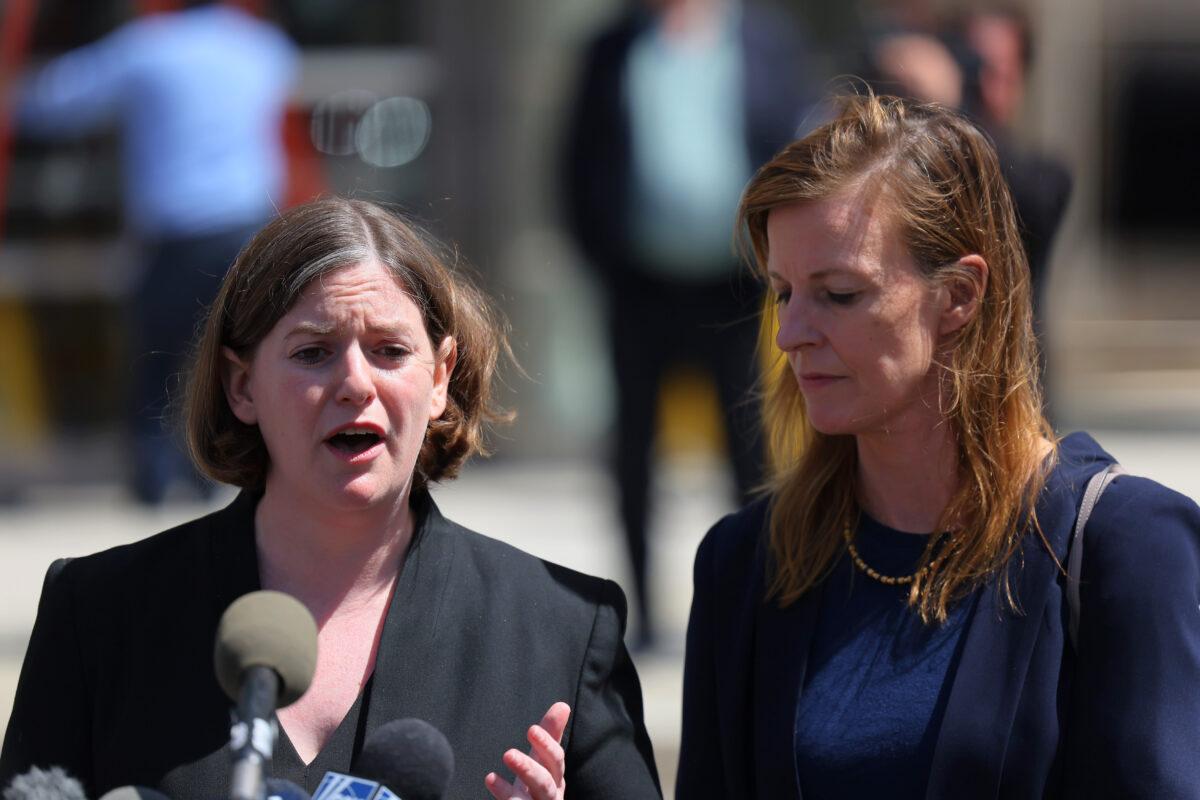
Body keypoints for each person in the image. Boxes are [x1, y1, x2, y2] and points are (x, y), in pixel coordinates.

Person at [0, 198, 662, 800]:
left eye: (389, 350)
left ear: (440, 376)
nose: (354, 382)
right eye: (313, 352)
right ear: (241, 386)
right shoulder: (100, 616)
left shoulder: (562, 630)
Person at [676, 93, 1200, 798]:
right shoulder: (746, 565)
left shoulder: (1124, 547)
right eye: (782, 293)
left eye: (838, 294)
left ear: (958, 295)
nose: (790, 334)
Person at [562, 0, 816, 648]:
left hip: (731, 286)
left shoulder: (762, 37)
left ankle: (762, 596)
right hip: (639, 284)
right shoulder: (613, 46)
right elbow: (576, 160)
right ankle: (643, 613)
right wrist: (600, 253)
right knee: (633, 454)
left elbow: (796, 144)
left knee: (747, 446)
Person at [9, 0, 298, 503]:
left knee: (155, 361)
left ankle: (155, 482)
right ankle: (225, 472)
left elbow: (50, 103)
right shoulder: (261, 46)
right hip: (252, 228)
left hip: (178, 231)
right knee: (240, 357)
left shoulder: (147, 49)